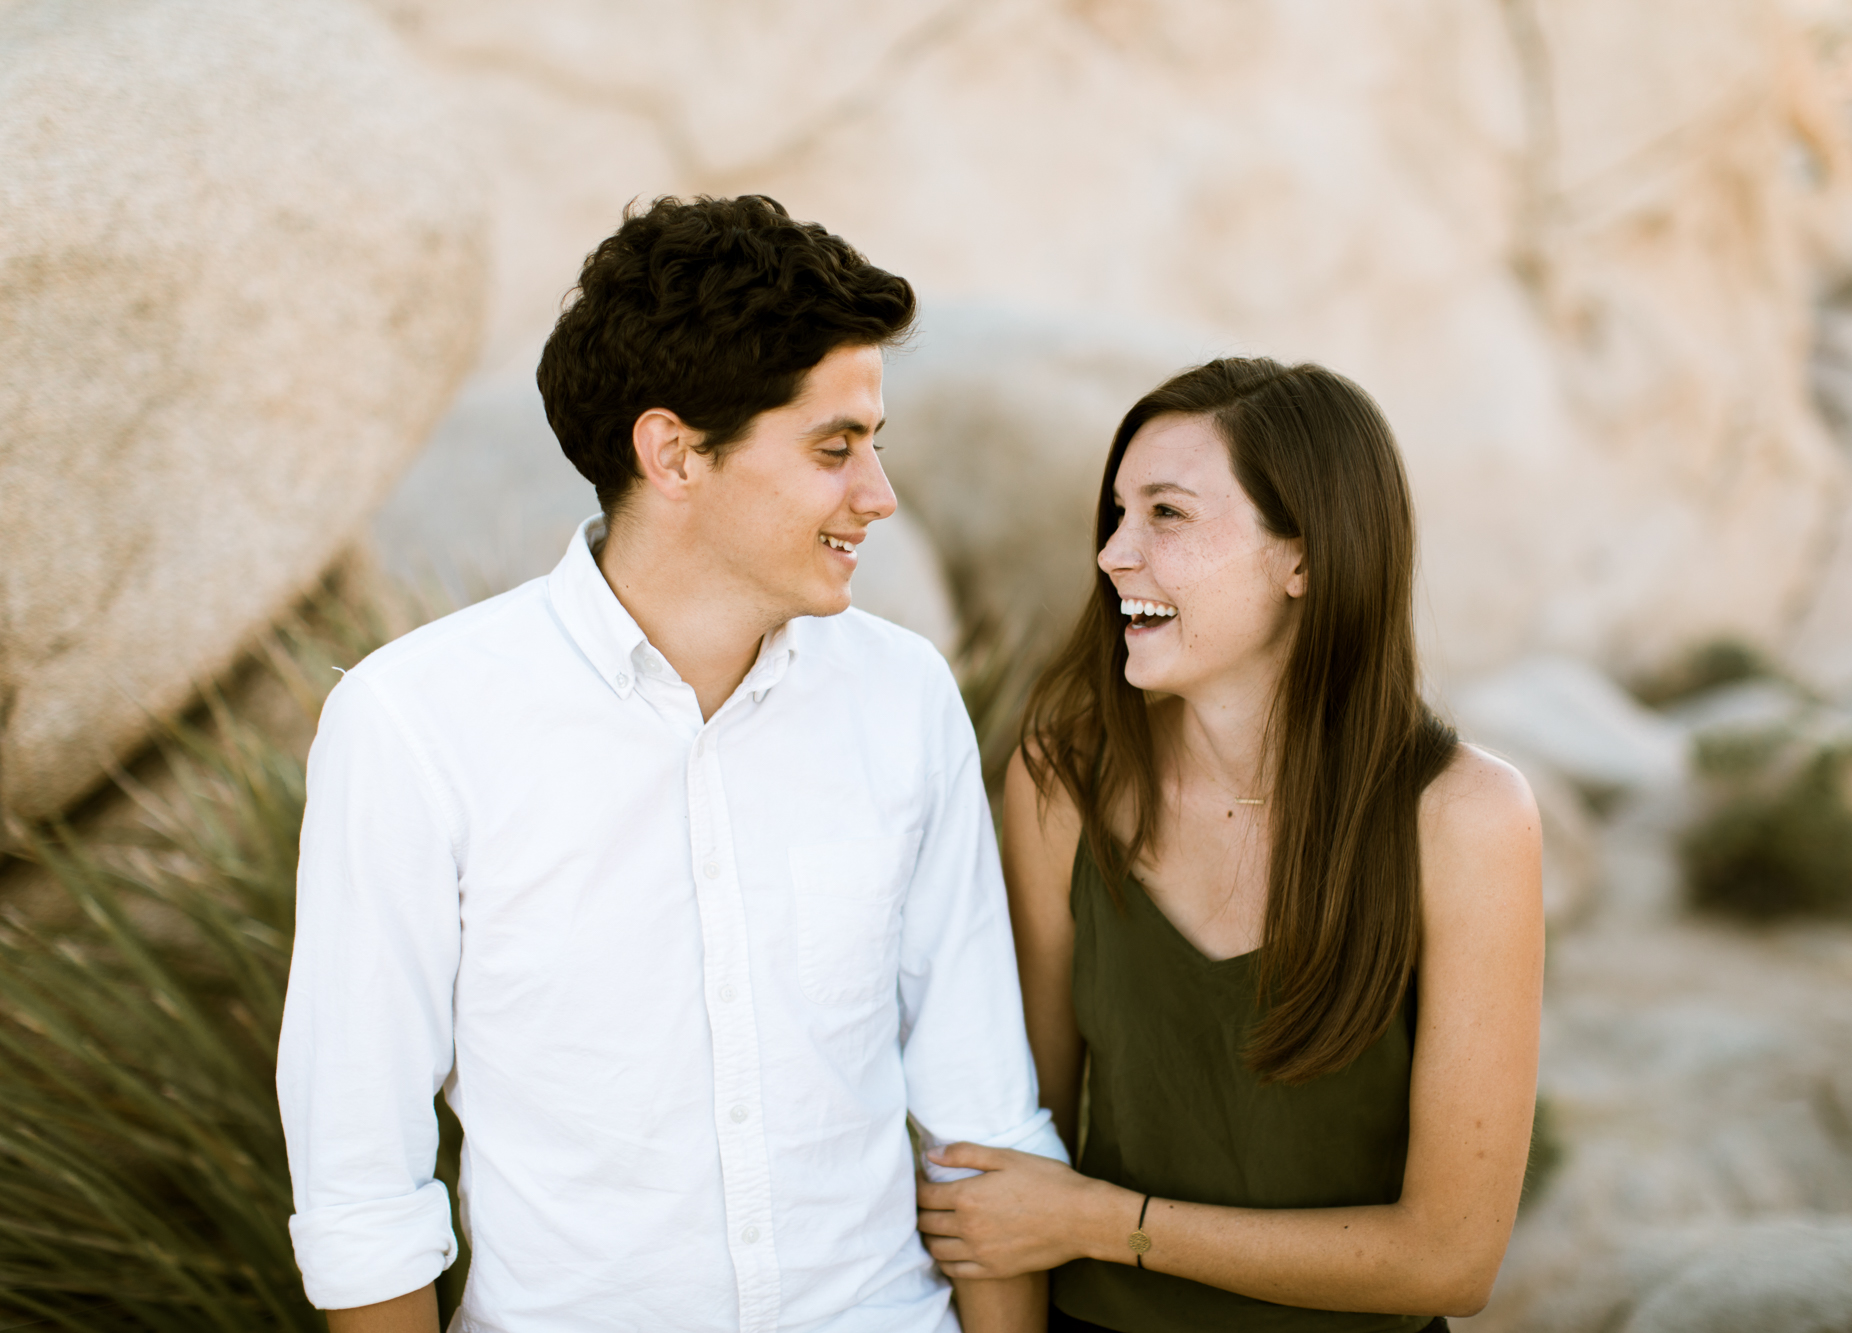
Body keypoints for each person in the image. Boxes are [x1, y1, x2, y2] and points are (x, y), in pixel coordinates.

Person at [276, 195, 1065, 1333]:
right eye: (833, 449)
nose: (878, 497)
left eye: (874, 447)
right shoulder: (412, 721)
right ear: (673, 452)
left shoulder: (903, 698)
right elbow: (360, 1167)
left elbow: (977, 1107)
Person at [912, 359, 1544, 1332]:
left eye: (1165, 514)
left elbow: (1450, 1259)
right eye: (1115, 515)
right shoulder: (1060, 784)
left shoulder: (1464, 819)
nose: (1114, 554)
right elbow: (1006, 1154)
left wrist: (1106, 1223)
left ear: (1305, 557)